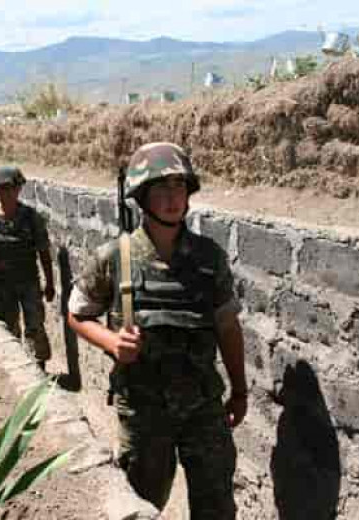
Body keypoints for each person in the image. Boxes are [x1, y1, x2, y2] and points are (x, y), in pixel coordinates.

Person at [66, 142, 247, 519]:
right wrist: (112, 341)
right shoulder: (114, 257)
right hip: (144, 412)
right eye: (161, 189)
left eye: (179, 186)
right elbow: (76, 315)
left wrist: (240, 389)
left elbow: (228, 327)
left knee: (216, 507)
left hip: (203, 408)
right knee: (142, 505)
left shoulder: (209, 258)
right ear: (141, 196)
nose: (172, 198)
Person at [0, 166, 55, 371]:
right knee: (8, 327)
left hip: (28, 282)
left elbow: (44, 252)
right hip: (0, 285)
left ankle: (39, 369)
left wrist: (50, 283)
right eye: (1, 189)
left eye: (10, 188)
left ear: (18, 189)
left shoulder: (31, 217)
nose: (6, 193)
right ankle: (17, 368)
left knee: (35, 326)